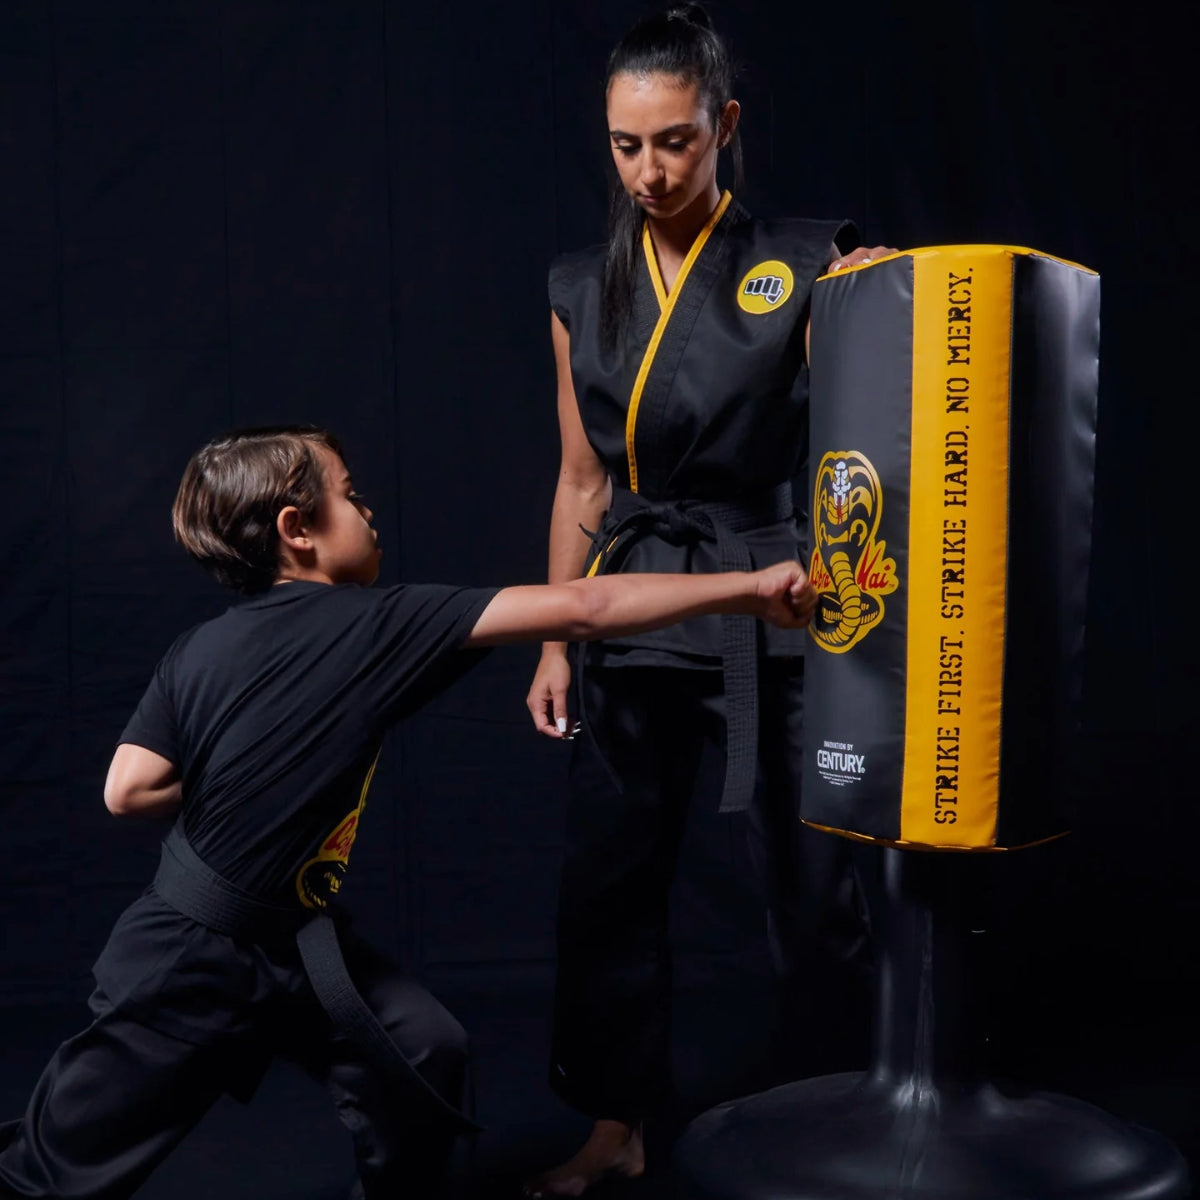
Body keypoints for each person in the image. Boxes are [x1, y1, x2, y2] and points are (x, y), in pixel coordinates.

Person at [0, 425, 816, 1200]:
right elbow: (586, 607)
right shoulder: (375, 625)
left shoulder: (200, 648)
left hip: (292, 942)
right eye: (349, 495)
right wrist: (750, 587)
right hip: (192, 961)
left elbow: (127, 788)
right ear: (297, 530)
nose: (368, 511)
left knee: (420, 1046)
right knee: (55, 1168)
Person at [523, 7, 893, 1195]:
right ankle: (616, 1123)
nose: (649, 171)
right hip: (631, 601)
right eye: (626, 145)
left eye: (674, 140)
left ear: (724, 125)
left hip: (779, 600)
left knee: (816, 883)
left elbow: (875, 439)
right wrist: (553, 638)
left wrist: (885, 302)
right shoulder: (581, 287)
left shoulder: (811, 261)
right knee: (609, 885)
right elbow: (584, 480)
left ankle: (841, 1110)